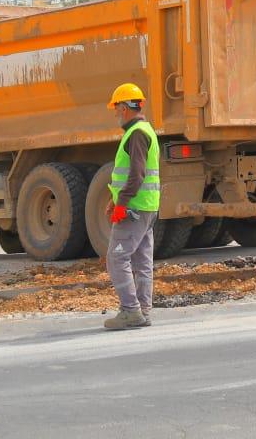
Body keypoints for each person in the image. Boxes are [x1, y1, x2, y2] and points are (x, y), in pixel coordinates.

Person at [103, 82, 161, 331]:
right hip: (147, 207)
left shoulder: (136, 133)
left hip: (134, 208)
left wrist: (122, 204)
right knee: (141, 261)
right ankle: (143, 312)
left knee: (117, 258)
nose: (116, 113)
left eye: (117, 108)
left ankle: (130, 311)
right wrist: (114, 200)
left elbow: (136, 175)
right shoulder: (146, 130)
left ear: (125, 107)